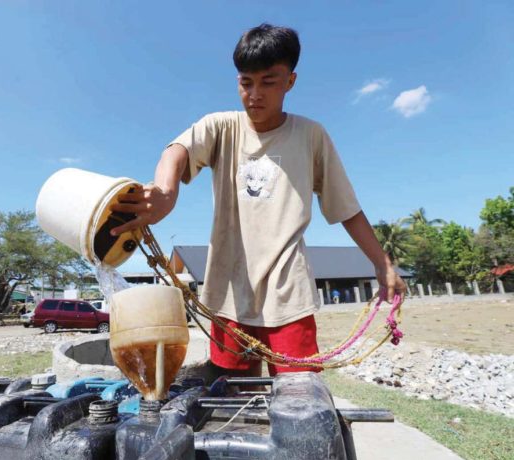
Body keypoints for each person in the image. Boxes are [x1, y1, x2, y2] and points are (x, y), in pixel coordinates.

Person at [110, 24, 406, 378]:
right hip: (229, 296)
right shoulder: (221, 127)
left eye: (268, 81)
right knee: (234, 400)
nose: (254, 94)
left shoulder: (311, 135)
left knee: (299, 402)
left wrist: (382, 264)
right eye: (245, 82)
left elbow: (346, 207)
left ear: (290, 81)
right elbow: (176, 151)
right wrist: (166, 192)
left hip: (288, 299)